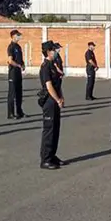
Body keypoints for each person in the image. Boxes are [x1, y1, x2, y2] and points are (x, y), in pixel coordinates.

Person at [38, 41, 67, 170]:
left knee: (56, 129)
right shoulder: (45, 66)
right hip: (49, 101)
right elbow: (49, 86)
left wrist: (61, 97)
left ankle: (52, 155)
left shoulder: (52, 65)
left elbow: (57, 84)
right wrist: (57, 99)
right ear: (49, 51)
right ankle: (45, 159)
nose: (56, 52)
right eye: (54, 50)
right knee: (49, 130)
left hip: (55, 99)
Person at [7, 29, 26, 119]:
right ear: (13, 36)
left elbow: (20, 59)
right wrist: (18, 65)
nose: (19, 37)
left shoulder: (18, 46)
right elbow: (10, 60)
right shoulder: (11, 47)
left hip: (18, 72)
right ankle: (10, 113)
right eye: (17, 35)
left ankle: (19, 111)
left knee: (19, 93)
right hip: (13, 72)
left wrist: (23, 64)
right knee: (12, 93)